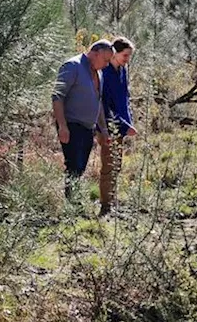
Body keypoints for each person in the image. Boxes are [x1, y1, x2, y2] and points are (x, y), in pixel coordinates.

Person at [51, 40, 114, 199]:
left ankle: (73, 201)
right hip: (72, 124)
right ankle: (72, 204)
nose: (107, 65)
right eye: (106, 60)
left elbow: (97, 102)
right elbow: (57, 96)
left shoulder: (99, 73)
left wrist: (103, 129)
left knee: (80, 167)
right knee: (74, 165)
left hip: (88, 128)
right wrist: (62, 126)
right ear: (95, 53)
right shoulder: (73, 66)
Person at [99, 37, 136, 217]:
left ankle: (112, 203)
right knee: (108, 165)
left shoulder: (122, 71)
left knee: (117, 165)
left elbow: (125, 99)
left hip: (121, 127)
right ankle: (105, 207)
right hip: (107, 127)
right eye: (125, 55)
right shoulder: (104, 73)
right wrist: (123, 124)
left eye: (129, 56)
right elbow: (105, 104)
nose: (127, 59)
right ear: (114, 53)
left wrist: (130, 121)